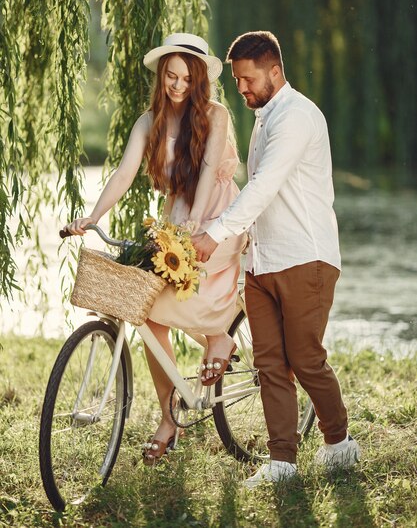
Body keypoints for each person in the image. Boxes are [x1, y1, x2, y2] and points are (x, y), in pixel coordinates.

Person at [64, 32, 245, 464]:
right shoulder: (149, 122)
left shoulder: (215, 115)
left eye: (186, 77)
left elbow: (205, 173)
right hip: (178, 218)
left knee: (194, 280)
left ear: (198, 79)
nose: (178, 85)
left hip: (216, 214)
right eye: (171, 76)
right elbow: (124, 174)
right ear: (161, 76)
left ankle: (220, 339)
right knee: (147, 311)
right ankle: (169, 416)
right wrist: (92, 216)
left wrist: (199, 225)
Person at [193, 31, 360, 488]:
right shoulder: (265, 118)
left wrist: (215, 233)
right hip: (262, 262)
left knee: (305, 358)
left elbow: (263, 186)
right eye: (238, 81)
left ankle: (339, 441)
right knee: (270, 365)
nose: (242, 89)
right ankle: (282, 461)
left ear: (274, 71)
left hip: (305, 257)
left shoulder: (298, 117)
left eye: (248, 80)